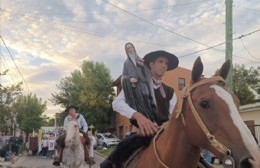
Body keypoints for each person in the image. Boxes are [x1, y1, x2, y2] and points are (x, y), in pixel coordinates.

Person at [100, 50, 179, 168]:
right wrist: (138, 116)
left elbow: (174, 116)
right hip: (143, 136)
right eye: (161, 61)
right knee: (115, 157)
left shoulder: (170, 92)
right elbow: (117, 103)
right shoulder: (135, 84)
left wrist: (166, 126)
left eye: (166, 64)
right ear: (151, 65)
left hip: (165, 136)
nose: (164, 66)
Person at [122, 42, 157, 125]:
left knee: (147, 101)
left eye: (131, 47)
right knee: (139, 107)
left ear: (134, 48)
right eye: (128, 49)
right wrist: (129, 79)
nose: (130, 50)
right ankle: (144, 122)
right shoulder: (126, 63)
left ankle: (152, 120)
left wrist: (143, 66)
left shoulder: (141, 60)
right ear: (126, 51)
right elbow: (123, 76)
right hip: (134, 89)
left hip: (143, 85)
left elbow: (149, 72)